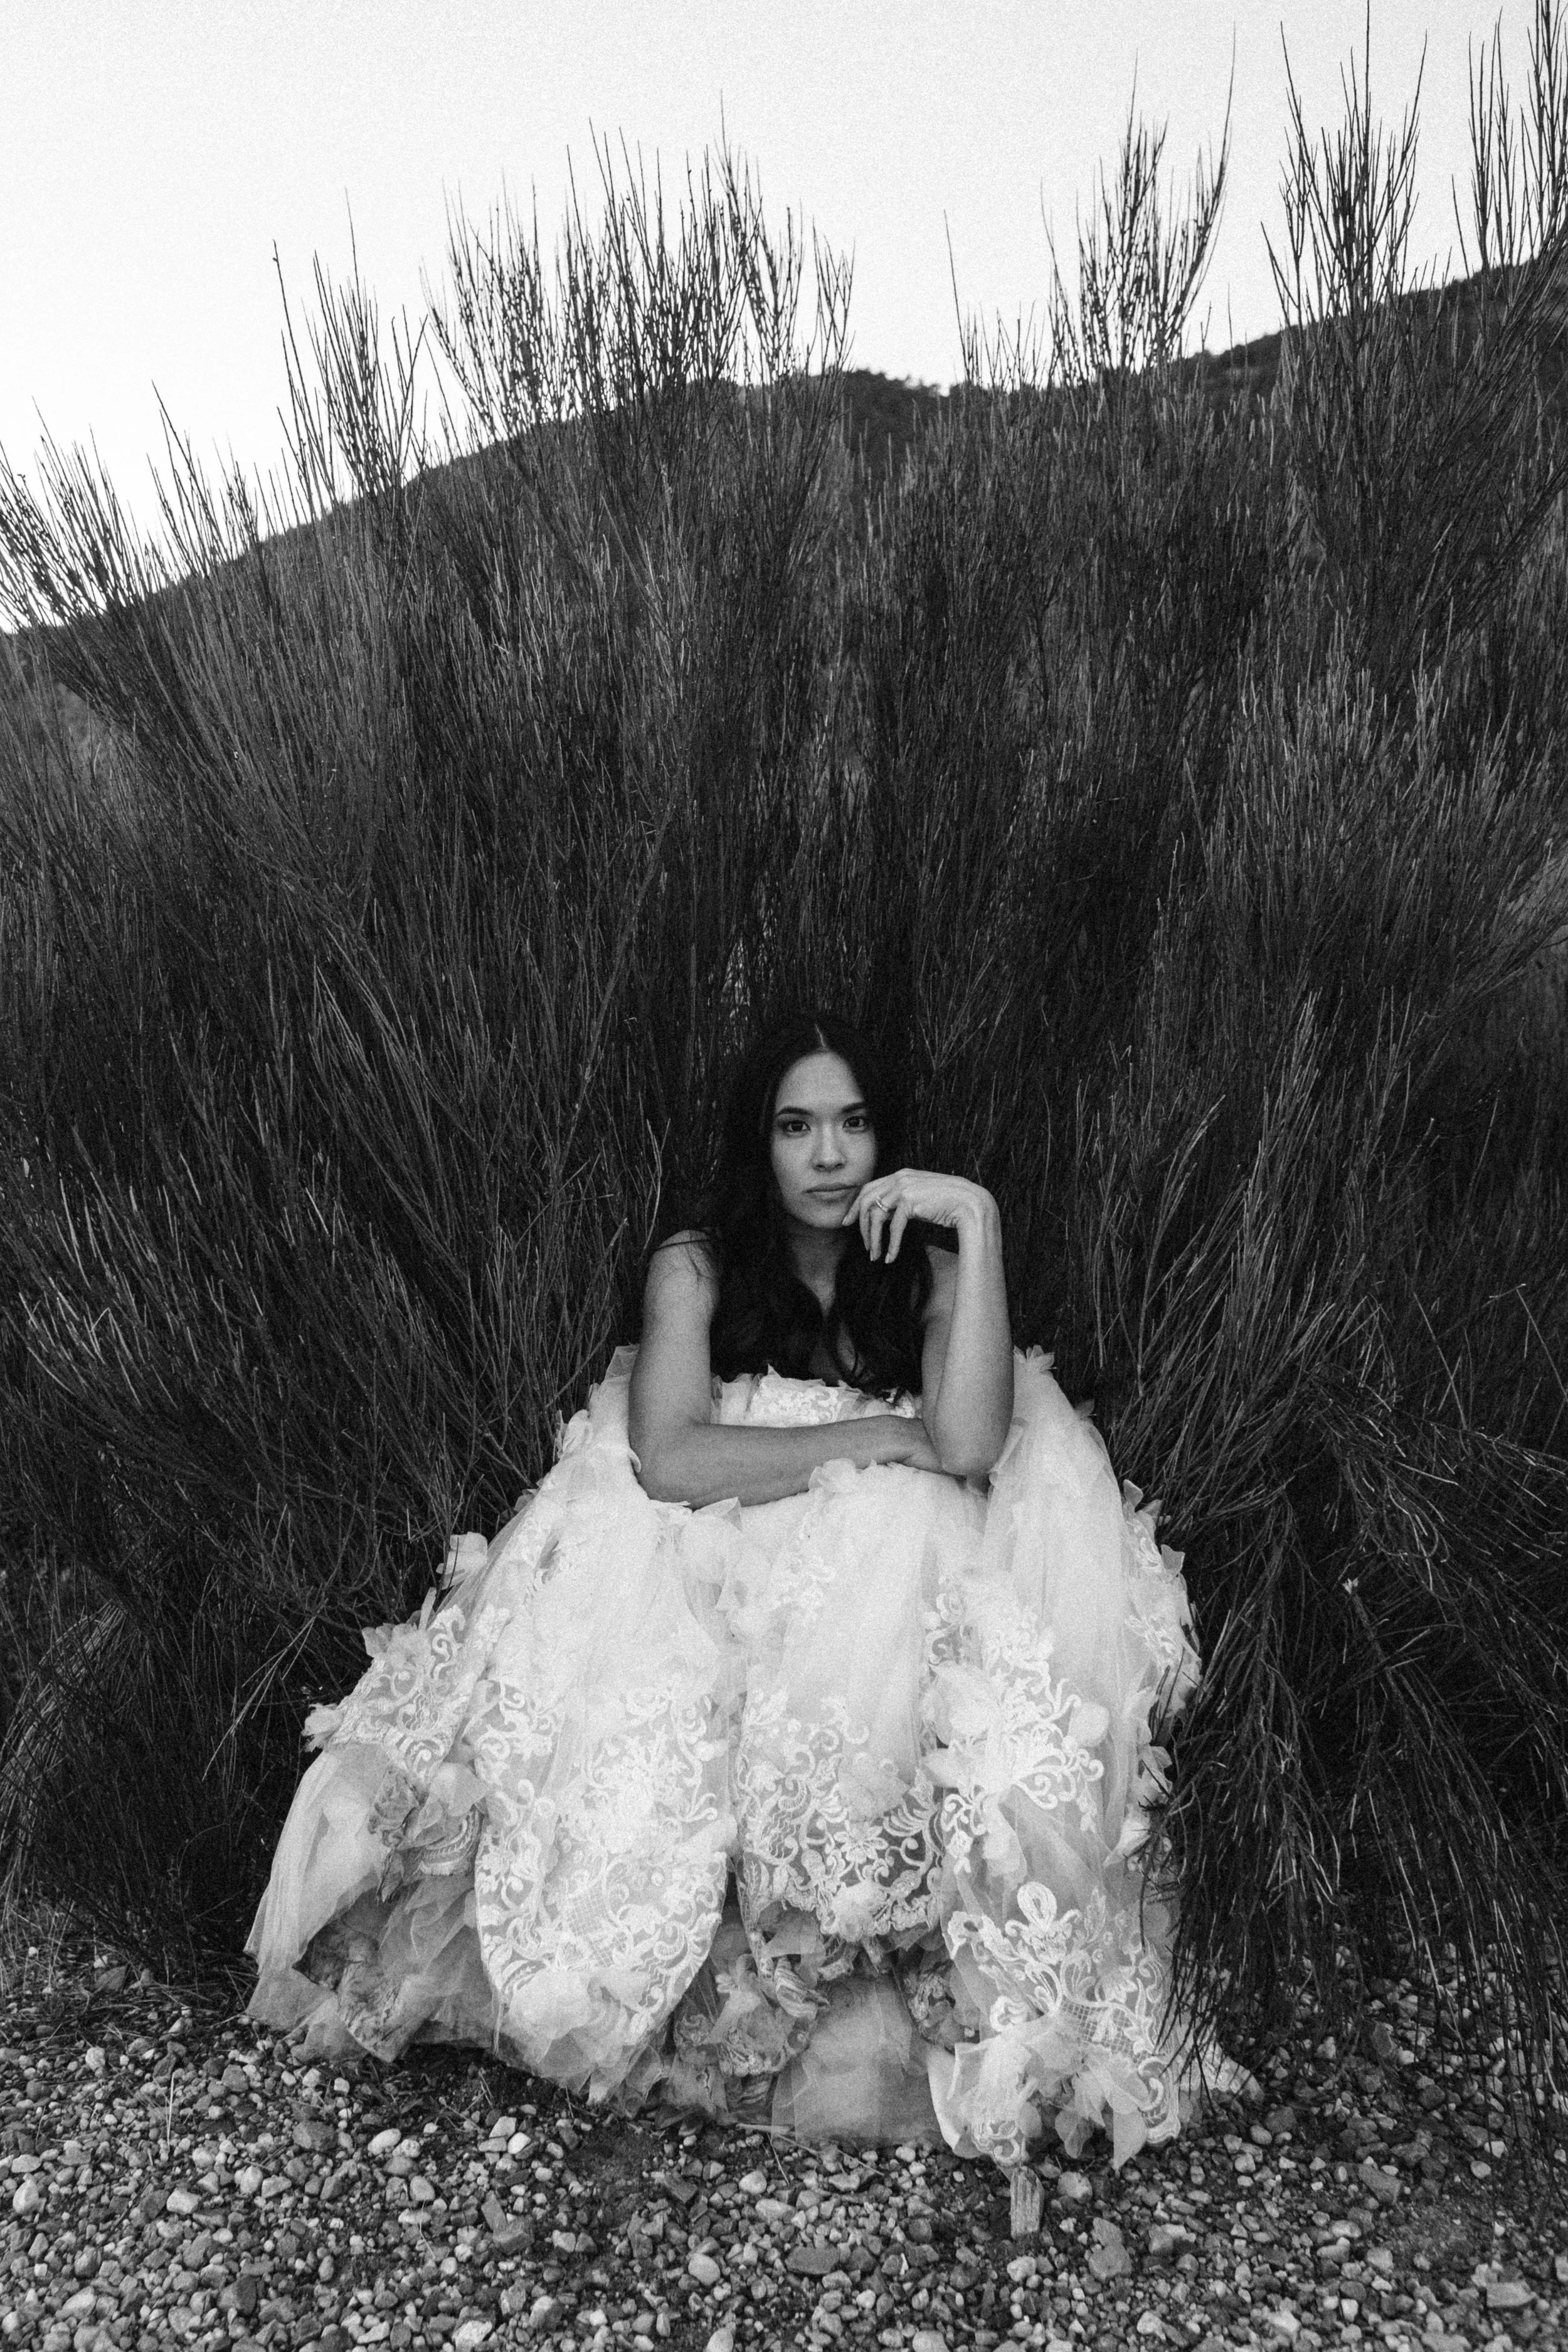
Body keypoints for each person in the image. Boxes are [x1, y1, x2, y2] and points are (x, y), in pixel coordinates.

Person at [246, 1010, 1201, 2169]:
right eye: (797, 1126)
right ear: (762, 1142)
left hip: (860, 1576)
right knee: (631, 1633)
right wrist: (870, 1435)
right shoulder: (696, 1266)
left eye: (854, 1123)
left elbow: (963, 1441)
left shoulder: (931, 1276)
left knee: (914, 1591)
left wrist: (978, 1219)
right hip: (719, 1546)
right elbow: (669, 1456)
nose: (830, 1154)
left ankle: (865, 1953)